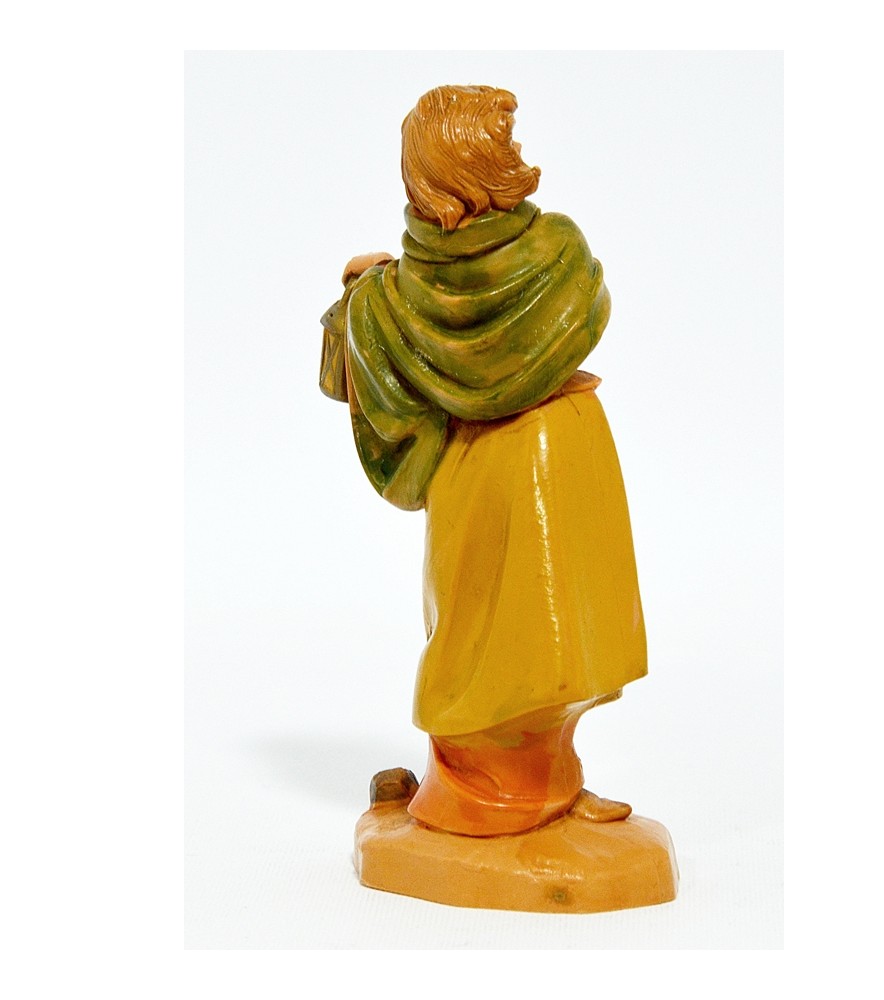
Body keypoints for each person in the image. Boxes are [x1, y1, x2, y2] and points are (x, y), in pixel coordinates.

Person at [321, 84, 647, 837]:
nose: (519, 151)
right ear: (469, 161)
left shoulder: (397, 293)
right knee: (497, 649)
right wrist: (371, 294)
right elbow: (584, 309)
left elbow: (351, 366)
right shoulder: (554, 256)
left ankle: (552, 789)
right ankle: (473, 805)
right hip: (516, 462)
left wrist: (363, 294)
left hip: (519, 466)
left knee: (554, 646)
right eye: (504, 140)